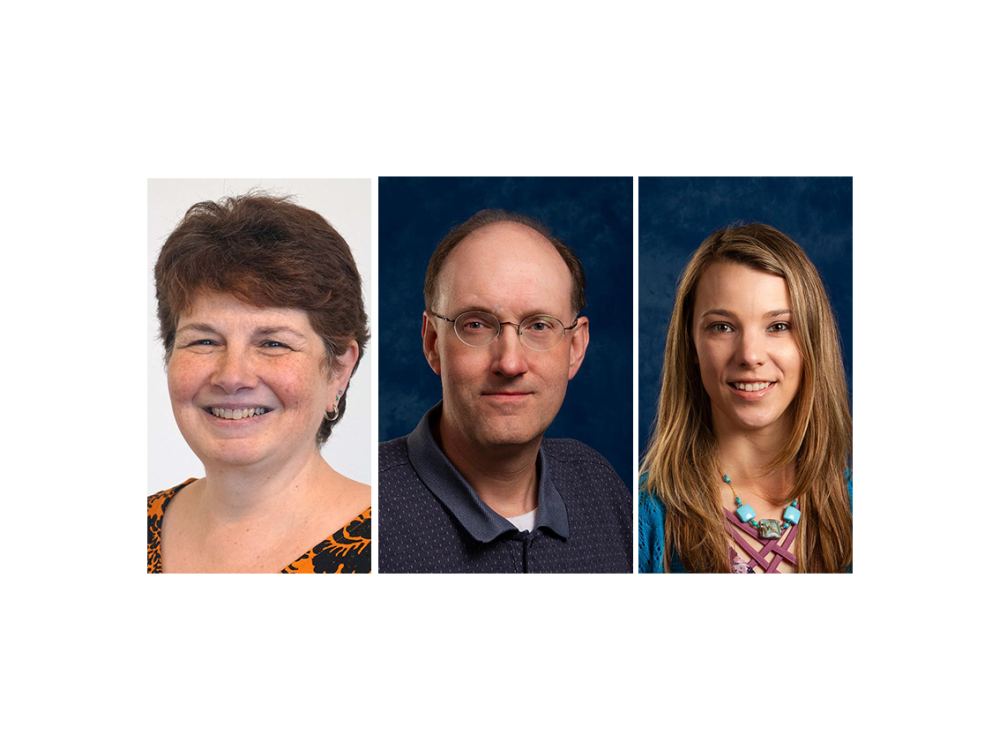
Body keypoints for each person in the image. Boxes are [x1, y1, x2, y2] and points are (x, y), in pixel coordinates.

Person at [379, 209, 631, 573]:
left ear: (575, 348)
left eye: (539, 325)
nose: (510, 363)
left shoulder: (598, 487)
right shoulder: (368, 509)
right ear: (433, 342)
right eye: (477, 324)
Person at [147, 192, 371, 574]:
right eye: (204, 341)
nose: (233, 376)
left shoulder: (392, 541)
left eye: (273, 343)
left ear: (338, 370)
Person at [639, 223, 853, 574]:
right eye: (722, 326)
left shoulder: (849, 504)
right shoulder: (643, 519)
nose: (750, 355)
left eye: (779, 326)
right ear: (691, 346)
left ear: (812, 343)